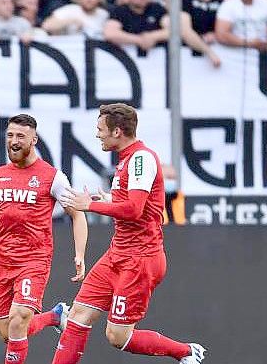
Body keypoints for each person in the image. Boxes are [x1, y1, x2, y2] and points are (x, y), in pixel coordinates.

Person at [52, 103, 205, 364]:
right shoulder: (126, 161)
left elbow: (134, 210)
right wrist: (108, 198)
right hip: (117, 254)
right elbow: (139, 203)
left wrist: (90, 205)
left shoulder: (141, 158)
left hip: (140, 260)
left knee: (117, 336)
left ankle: (187, 352)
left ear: (118, 131)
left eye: (101, 129)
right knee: (78, 314)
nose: (97, 134)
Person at [0, 114, 88, 364]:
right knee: (8, 333)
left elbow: (77, 215)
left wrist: (79, 253)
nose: (14, 141)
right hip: (4, 263)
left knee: (19, 317)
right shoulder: (0, 175)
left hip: (34, 261)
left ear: (34, 139)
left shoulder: (52, 177)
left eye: (20, 136)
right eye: (10, 135)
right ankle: (55, 315)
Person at [104, 0, 221, 67]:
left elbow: (175, 29)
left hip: (157, 63)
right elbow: (110, 33)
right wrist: (138, 40)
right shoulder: (120, 11)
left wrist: (153, 36)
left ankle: (208, 52)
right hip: (130, 62)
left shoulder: (155, 8)